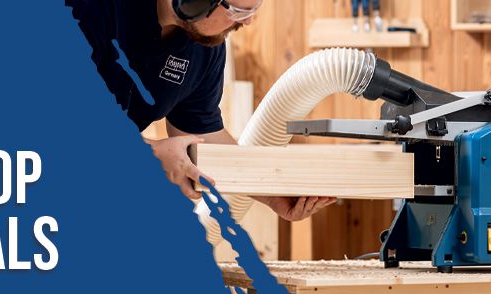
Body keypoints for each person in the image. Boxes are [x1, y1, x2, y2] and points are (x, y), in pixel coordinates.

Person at [68, 0, 335, 221]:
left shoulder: (204, 46)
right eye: (238, 11)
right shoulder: (85, 10)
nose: (247, 22)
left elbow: (202, 135)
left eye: (254, 9)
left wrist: (273, 194)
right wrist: (152, 153)